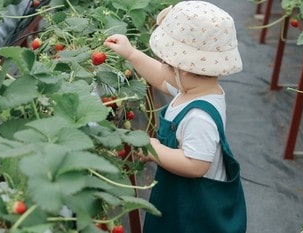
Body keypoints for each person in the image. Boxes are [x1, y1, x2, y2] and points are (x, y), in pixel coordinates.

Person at [103, 1, 247, 232]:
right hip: (181, 197)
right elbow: (161, 79)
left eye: (166, 63)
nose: (162, 66)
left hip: (195, 211)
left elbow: (195, 165)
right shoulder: (193, 88)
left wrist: (153, 148)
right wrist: (131, 54)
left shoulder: (199, 115)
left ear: (186, 68)